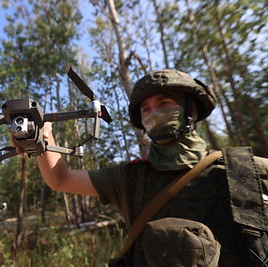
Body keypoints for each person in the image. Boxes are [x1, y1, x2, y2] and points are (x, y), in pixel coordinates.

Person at [15, 69, 268, 266]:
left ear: (190, 110)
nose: (153, 112)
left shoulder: (247, 171)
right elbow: (61, 179)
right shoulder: (130, 178)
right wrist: (41, 140)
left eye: (164, 103)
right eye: (146, 108)